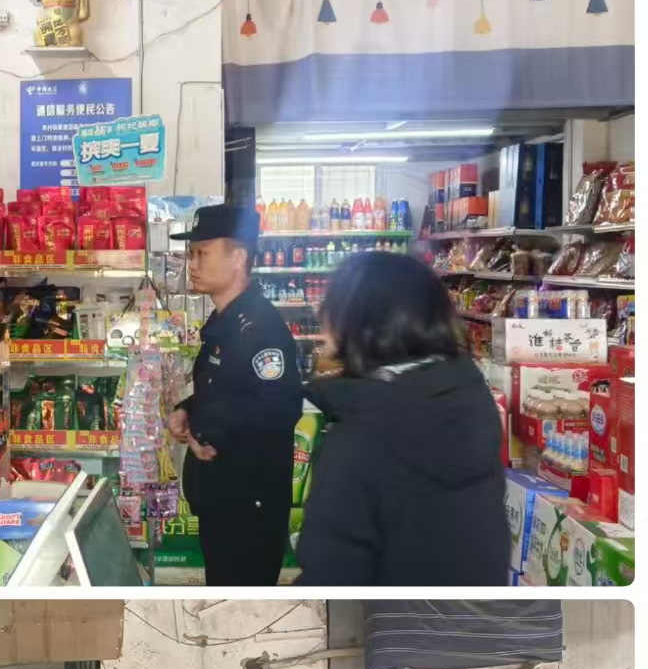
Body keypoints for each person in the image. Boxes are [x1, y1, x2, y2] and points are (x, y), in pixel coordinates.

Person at [297, 251, 510, 584]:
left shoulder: (359, 441)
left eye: (331, 307)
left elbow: (331, 578)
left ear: (360, 322)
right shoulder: (469, 399)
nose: (322, 319)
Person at [166, 205, 303, 586]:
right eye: (191, 254)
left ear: (238, 257)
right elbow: (224, 389)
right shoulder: (223, 322)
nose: (192, 264)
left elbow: (280, 407)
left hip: (249, 508)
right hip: (222, 501)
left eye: (203, 253)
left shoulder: (260, 328)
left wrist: (209, 432)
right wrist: (188, 410)